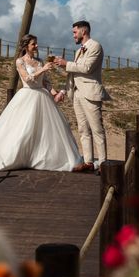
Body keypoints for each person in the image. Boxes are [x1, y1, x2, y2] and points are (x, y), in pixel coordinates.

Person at [0, 34, 81, 171]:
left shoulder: (40, 61)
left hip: (43, 97)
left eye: (36, 43)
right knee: (22, 128)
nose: (36, 46)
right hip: (27, 95)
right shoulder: (20, 61)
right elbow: (27, 79)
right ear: (26, 46)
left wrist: (55, 93)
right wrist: (43, 69)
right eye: (33, 44)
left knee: (44, 130)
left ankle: (40, 157)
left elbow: (45, 82)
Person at [54, 20, 110, 173]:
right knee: (83, 129)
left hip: (90, 94)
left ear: (83, 31)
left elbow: (86, 68)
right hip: (77, 94)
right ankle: (88, 162)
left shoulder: (95, 46)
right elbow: (73, 74)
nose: (73, 35)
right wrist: (64, 89)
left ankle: (104, 164)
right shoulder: (79, 51)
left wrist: (66, 63)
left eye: (74, 32)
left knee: (97, 129)